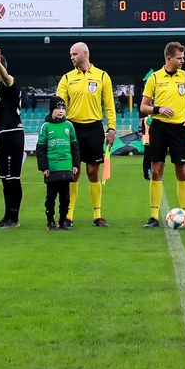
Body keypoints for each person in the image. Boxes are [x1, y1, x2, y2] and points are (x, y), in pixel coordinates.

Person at [141, 42, 185, 230]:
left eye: (183, 58)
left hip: (179, 129)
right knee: (157, 170)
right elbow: (143, 106)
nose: (183, 61)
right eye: (179, 58)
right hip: (159, 128)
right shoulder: (154, 78)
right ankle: (153, 216)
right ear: (169, 58)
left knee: (182, 172)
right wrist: (158, 109)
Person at [54, 42, 115, 229]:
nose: (71, 57)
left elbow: (109, 105)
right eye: (70, 54)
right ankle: (69, 216)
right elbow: (58, 104)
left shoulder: (102, 76)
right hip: (72, 128)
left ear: (85, 54)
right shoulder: (66, 78)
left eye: (74, 54)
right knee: (73, 173)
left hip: (94, 128)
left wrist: (111, 128)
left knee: (93, 173)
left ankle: (97, 216)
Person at [0, 47, 24, 227]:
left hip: (12, 135)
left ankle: (14, 218)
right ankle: (7, 216)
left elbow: (7, 79)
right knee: (5, 179)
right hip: (2, 136)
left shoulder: (8, 86)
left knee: (13, 179)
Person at [34, 98, 80, 231]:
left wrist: (75, 164)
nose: (61, 111)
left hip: (66, 166)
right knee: (51, 196)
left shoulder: (69, 125)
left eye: (63, 108)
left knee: (65, 196)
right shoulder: (46, 126)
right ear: (52, 110)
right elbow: (41, 149)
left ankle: (63, 220)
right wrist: (44, 167)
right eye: (57, 108)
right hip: (52, 167)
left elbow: (74, 147)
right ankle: (50, 221)